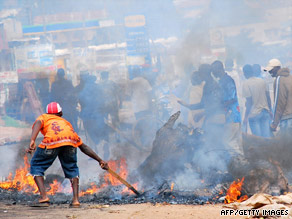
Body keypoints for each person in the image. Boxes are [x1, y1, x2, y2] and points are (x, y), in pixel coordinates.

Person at [26, 102, 108, 207]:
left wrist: (32, 140)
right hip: (70, 141)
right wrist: (100, 160)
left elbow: (38, 123)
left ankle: (44, 197)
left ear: (47, 113)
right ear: (60, 113)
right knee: (72, 168)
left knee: (37, 165)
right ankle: (76, 200)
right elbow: (84, 147)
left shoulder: (44, 117)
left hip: (52, 141)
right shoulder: (66, 123)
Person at [211, 60, 243, 160]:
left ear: (219, 69)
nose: (213, 73)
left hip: (232, 115)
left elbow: (233, 98)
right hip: (232, 115)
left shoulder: (227, 80)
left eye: (213, 71)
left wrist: (219, 105)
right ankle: (243, 165)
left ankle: (240, 163)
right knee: (236, 141)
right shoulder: (222, 81)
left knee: (228, 141)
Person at [242, 64, 272, 137]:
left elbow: (249, 102)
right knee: (266, 138)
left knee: (258, 140)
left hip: (254, 114)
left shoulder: (246, 84)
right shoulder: (262, 81)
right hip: (265, 112)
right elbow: (268, 97)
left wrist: (245, 117)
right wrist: (270, 110)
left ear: (244, 73)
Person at [264, 59, 292, 134]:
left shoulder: (279, 79)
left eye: (271, 70)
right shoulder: (290, 77)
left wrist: (274, 123)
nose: (270, 73)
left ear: (277, 68)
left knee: (286, 145)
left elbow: (279, 102)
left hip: (287, 119)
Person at [50, 68, 79, 132]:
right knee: (71, 124)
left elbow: (52, 97)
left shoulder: (55, 84)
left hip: (63, 108)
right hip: (67, 107)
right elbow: (73, 94)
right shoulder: (68, 83)